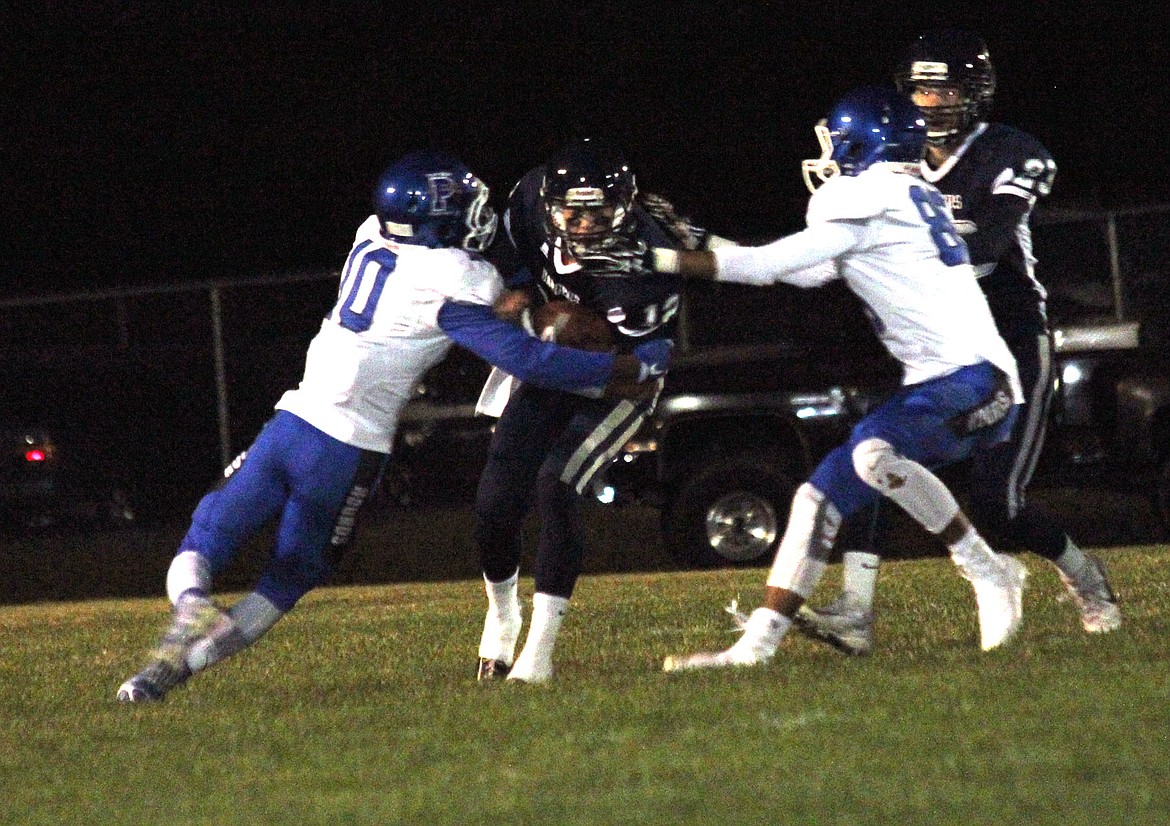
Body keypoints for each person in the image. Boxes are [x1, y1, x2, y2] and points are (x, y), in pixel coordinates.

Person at [116, 150, 667, 702]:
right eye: (466, 207)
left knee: (207, 533)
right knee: (291, 574)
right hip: (348, 450)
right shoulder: (457, 277)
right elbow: (529, 361)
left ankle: (183, 620)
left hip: (292, 421)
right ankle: (185, 665)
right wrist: (623, 367)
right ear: (438, 221)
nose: (479, 215)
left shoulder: (370, 235)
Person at [651, 86, 1029, 671]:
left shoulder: (869, 196)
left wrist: (661, 260)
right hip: (943, 382)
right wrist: (702, 241)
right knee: (814, 498)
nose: (827, 152)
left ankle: (988, 569)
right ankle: (754, 650)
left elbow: (766, 267)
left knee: (873, 454)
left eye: (834, 139)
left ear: (863, 141)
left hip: (975, 380)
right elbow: (799, 273)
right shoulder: (900, 196)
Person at [794, 29, 1120, 657]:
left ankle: (1084, 577)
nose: (929, 103)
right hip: (937, 343)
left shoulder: (1011, 152)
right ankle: (856, 608)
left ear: (974, 93)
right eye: (919, 88)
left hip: (1009, 337)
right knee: (873, 455)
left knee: (996, 504)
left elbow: (992, 243)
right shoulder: (894, 159)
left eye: (943, 89)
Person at [473, 137, 730, 684]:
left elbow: (647, 360)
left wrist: (588, 345)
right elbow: (511, 252)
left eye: (598, 214)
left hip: (622, 379)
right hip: (550, 365)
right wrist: (525, 295)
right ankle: (502, 613)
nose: (584, 226)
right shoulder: (530, 199)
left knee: (557, 483)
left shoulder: (641, 262)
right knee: (496, 501)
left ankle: (537, 657)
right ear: (550, 203)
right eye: (572, 212)